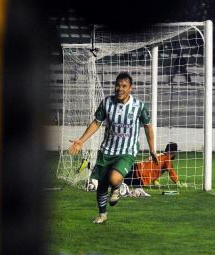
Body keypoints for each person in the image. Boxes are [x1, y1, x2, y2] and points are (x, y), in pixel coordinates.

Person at [68, 72, 158, 224]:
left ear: (131, 88)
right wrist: (81, 140)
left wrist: (152, 149)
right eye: (117, 85)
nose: (119, 89)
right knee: (101, 185)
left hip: (127, 151)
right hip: (107, 150)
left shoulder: (139, 107)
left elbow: (148, 128)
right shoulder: (106, 103)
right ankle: (102, 215)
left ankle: (117, 187)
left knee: (114, 178)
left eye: (124, 86)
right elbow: (96, 122)